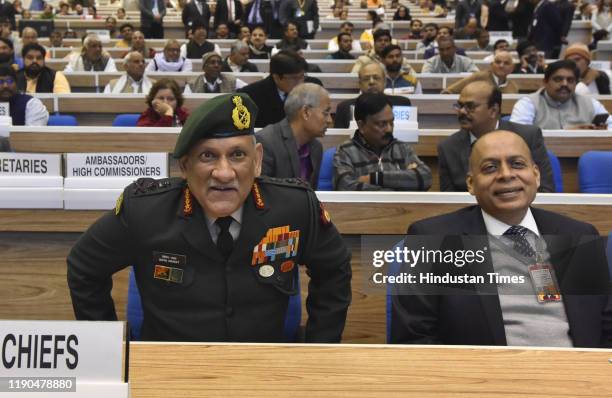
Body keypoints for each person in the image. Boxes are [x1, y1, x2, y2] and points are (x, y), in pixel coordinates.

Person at [67, 92, 352, 342]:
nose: (224, 173)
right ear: (185, 166)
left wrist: (320, 347)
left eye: (238, 155)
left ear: (257, 161)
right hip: (170, 375)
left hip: (263, 372)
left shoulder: (294, 207)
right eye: (208, 156)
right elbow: (84, 267)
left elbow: (334, 268)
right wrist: (109, 351)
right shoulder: (145, 211)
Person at [391, 130, 612, 347]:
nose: (506, 175)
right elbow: (415, 337)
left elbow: (607, 326)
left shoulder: (579, 236)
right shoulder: (433, 239)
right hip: (485, 378)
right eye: (490, 168)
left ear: (535, 175)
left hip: (578, 376)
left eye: (517, 164)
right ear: (470, 183)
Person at [439, 80, 553, 192]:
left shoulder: (528, 136)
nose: (462, 111)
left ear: (494, 110)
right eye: (460, 105)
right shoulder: (448, 147)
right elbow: (450, 200)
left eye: (470, 106)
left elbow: (545, 189)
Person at [333, 93, 432, 191]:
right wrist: (402, 185)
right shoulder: (346, 151)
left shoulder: (402, 148)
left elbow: (426, 178)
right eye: (381, 124)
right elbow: (345, 187)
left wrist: (374, 178)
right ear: (361, 125)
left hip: (402, 207)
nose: (389, 129)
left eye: (391, 122)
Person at [256, 83, 331, 189]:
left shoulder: (316, 147)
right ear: (306, 112)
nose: (329, 120)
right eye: (326, 113)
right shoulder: (266, 142)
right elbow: (261, 193)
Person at [510, 60, 612, 130]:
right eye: (558, 79)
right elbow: (518, 134)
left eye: (570, 80)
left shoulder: (590, 103)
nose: (564, 84)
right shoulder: (528, 103)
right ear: (545, 82)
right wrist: (570, 132)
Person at [238, 50, 306, 128]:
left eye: (302, 76)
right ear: (276, 77)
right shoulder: (250, 95)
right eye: (294, 78)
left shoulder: (311, 89)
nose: (300, 82)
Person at [334, 62, 412, 128]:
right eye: (366, 79)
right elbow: (339, 139)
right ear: (360, 84)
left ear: (384, 82)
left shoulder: (402, 103)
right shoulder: (344, 107)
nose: (371, 82)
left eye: (376, 78)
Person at [442, 50, 518, 94]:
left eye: (506, 63)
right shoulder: (479, 77)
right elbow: (448, 92)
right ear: (491, 65)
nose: (501, 66)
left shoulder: (513, 87)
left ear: (512, 68)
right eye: (498, 62)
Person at [352, 29, 417, 78]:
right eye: (379, 40)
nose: (383, 43)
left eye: (386, 40)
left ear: (390, 43)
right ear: (374, 43)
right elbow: (353, 78)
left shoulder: (401, 60)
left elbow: (414, 77)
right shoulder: (363, 60)